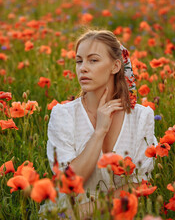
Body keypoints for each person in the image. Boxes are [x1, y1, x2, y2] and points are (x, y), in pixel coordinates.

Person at [45, 29, 157, 216]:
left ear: (115, 66)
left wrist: (85, 211)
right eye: (79, 61)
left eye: (93, 60)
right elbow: (69, 183)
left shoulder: (140, 117)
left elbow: (139, 184)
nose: (83, 68)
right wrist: (99, 132)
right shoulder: (63, 116)